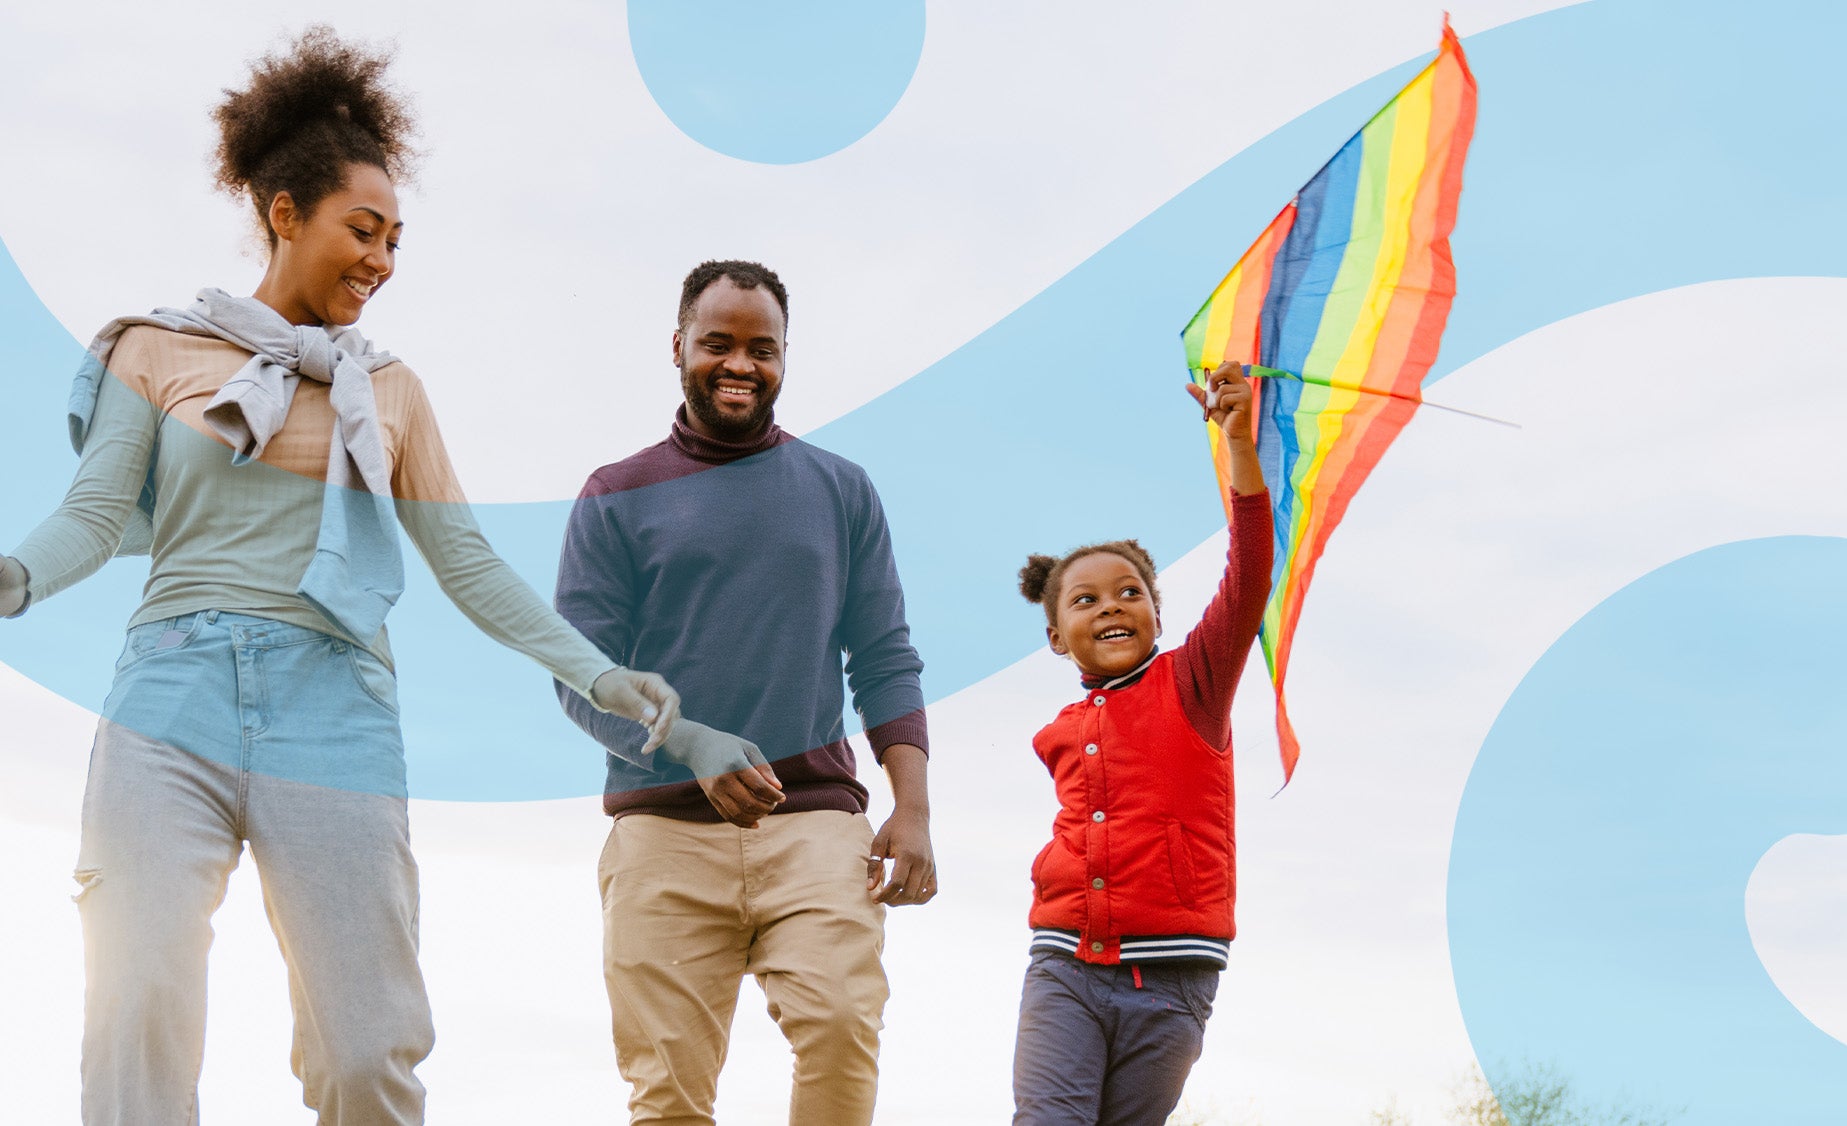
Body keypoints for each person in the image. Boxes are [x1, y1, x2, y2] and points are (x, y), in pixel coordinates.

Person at [0, 28, 678, 1125]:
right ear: (283, 213)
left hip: (337, 705)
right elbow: (90, 514)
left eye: (397, 241)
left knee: (365, 1051)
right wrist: (15, 575)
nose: (383, 260)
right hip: (169, 693)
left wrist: (599, 675)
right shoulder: (157, 351)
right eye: (363, 230)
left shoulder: (391, 390)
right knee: (136, 1005)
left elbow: (466, 562)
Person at [553, 259, 936, 1125]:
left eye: (761, 349)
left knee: (841, 1025)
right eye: (717, 343)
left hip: (812, 826)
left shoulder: (840, 490)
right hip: (661, 833)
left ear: (784, 357)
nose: (739, 364)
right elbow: (580, 676)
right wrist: (685, 741)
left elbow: (884, 656)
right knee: (669, 1099)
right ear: (678, 347)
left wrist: (910, 808)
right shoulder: (616, 496)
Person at [1009, 360, 1273, 1125]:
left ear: (1158, 615)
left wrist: (1237, 448)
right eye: (1085, 600)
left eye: (1130, 593)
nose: (1111, 606)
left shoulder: (1193, 684)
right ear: (1057, 637)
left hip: (1173, 977)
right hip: (1063, 964)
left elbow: (1249, 572)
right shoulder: (1059, 733)